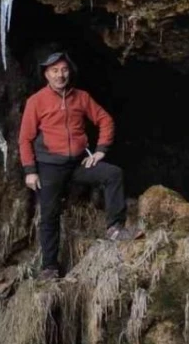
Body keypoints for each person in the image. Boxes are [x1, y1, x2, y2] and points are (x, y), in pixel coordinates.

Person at [19, 51, 139, 280]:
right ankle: (50, 267)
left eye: (64, 70)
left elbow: (105, 120)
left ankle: (115, 228)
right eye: (54, 71)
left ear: (69, 72)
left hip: (78, 163)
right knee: (49, 215)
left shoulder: (81, 97)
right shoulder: (36, 101)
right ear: (46, 74)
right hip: (50, 167)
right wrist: (30, 171)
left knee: (113, 174)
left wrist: (100, 151)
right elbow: (24, 138)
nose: (60, 75)